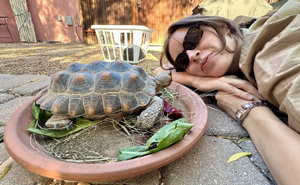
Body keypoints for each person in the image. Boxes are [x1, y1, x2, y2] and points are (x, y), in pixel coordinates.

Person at [154, 0, 300, 184]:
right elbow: (160, 72)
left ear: (222, 26)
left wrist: (249, 110)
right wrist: (197, 80)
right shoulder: (246, 35)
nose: (192, 55)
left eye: (193, 38)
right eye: (183, 62)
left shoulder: (272, 60)